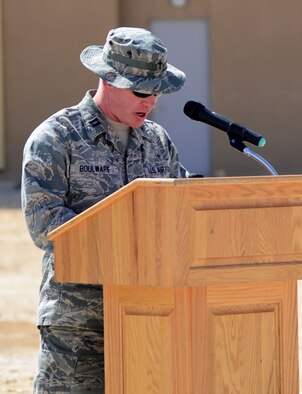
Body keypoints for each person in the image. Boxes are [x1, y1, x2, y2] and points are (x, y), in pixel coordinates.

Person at [21, 27, 188, 392]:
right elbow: (44, 223)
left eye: (158, 92)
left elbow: (184, 207)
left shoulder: (158, 142)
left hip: (150, 313)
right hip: (79, 323)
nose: (152, 102)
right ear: (109, 80)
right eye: (143, 91)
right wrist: (125, 239)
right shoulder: (57, 137)